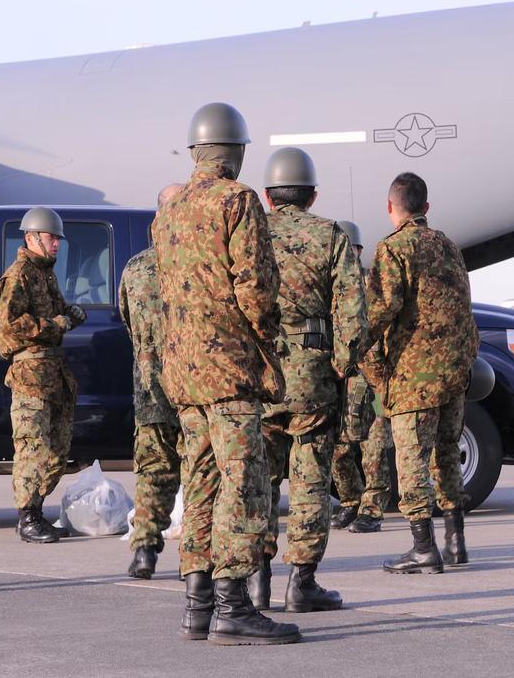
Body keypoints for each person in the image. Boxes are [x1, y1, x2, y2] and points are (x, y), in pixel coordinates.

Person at [152, 102, 300, 645]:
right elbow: (256, 289)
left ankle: (197, 605)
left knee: (200, 480)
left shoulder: (168, 210)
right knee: (244, 481)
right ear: (234, 151)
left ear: (196, 151)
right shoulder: (236, 201)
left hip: (184, 373)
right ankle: (233, 606)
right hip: (230, 369)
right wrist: (267, 344)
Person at [254, 148, 366, 613]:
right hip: (313, 376)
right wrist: (341, 364)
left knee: (257, 480)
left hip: (258, 374)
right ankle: (301, 583)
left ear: (268, 195)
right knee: (310, 481)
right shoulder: (331, 235)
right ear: (313, 195)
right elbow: (353, 313)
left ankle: (256, 581)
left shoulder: (249, 232)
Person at [364, 172, 477, 574]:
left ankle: (423, 548)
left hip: (414, 378)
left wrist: (355, 353)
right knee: (446, 456)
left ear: (389, 207)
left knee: (411, 460)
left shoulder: (393, 250)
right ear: (426, 207)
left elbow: (378, 312)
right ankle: (456, 542)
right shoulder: (449, 247)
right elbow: (464, 308)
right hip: (453, 375)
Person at [0, 207, 87, 544]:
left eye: (57, 239)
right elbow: (10, 324)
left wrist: (69, 312)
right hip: (30, 376)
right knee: (32, 448)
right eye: (50, 238)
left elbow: (56, 310)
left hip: (53, 375)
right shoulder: (18, 275)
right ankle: (27, 517)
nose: (56, 244)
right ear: (31, 238)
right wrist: (55, 325)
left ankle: (37, 509)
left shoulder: (45, 275)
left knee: (57, 450)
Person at [121, 183, 186, 579]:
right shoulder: (197, 264)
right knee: (200, 473)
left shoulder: (135, 268)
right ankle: (196, 562)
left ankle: (145, 550)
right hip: (195, 386)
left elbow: (129, 322)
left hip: (150, 389)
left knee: (153, 471)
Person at [330, 220, 392, 535]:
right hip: (343, 380)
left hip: (375, 379)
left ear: (358, 250)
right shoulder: (329, 287)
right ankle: (350, 501)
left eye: (352, 249)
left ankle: (372, 510)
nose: (347, 255)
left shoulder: (374, 287)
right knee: (338, 448)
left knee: (374, 446)